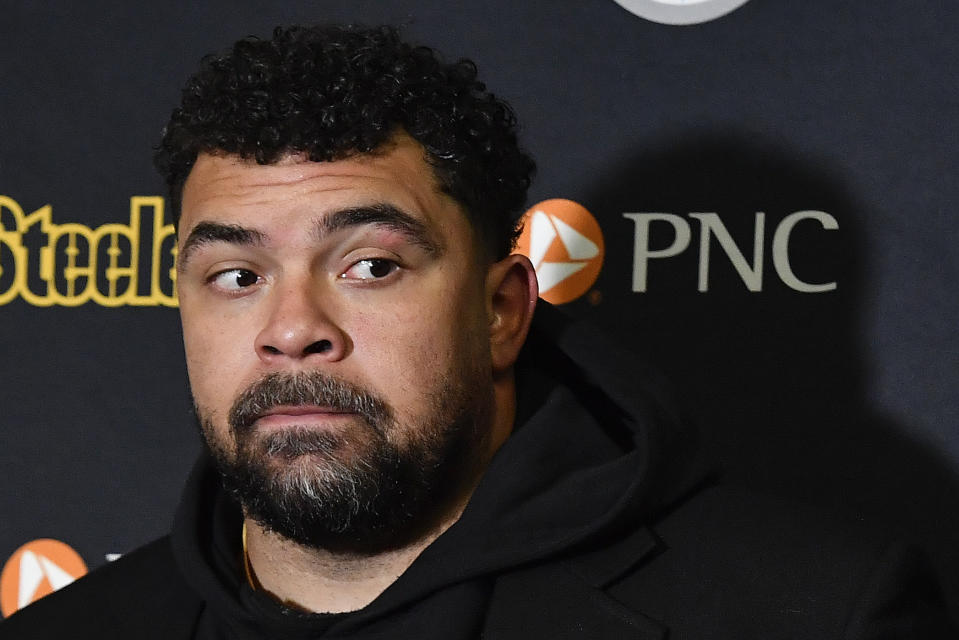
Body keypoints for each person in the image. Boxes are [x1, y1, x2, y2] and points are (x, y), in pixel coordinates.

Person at [0, 23, 954, 639]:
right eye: (236, 276)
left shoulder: (817, 613)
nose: (291, 330)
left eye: (369, 265)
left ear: (501, 310)